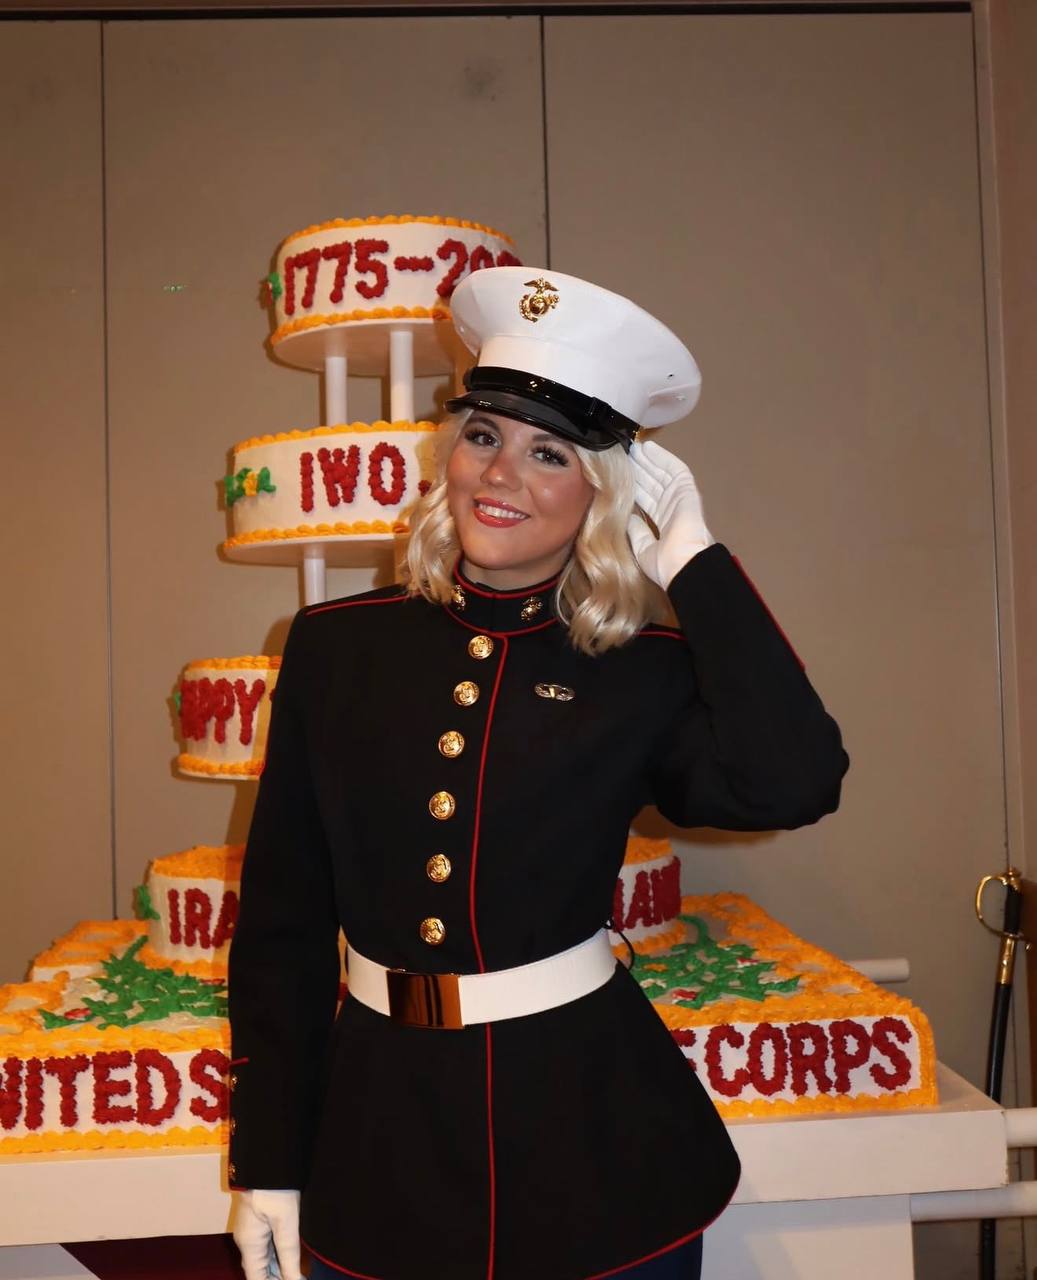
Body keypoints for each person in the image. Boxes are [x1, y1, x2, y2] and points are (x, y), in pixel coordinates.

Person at [227, 268, 849, 1280]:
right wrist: (269, 1158)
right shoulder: (336, 648)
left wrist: (691, 553)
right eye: (483, 436)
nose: (499, 476)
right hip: (375, 1142)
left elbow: (791, 779)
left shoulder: (638, 668)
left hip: (594, 1145)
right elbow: (283, 926)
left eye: (548, 452)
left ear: (603, 493)